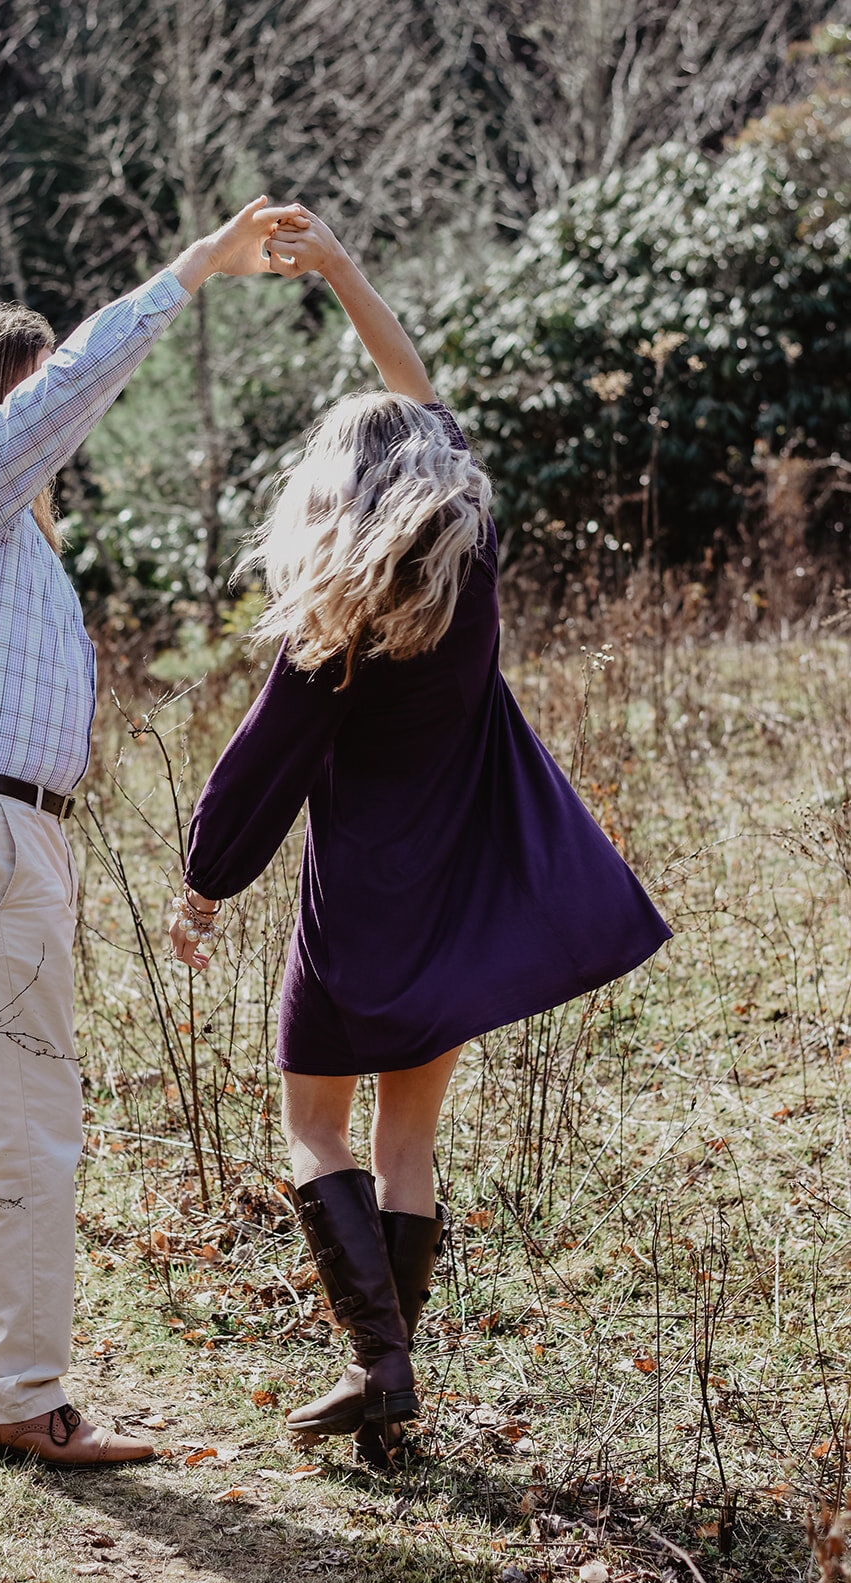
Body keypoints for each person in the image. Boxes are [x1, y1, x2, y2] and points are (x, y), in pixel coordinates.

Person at [169, 208, 672, 1466]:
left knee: (311, 1127)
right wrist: (339, 266)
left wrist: (202, 887)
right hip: (456, 910)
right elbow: (418, 395)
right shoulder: (472, 569)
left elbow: (258, 770)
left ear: (328, 494)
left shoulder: (328, 628)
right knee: (406, 1141)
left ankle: (378, 1365)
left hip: (355, 923)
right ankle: (386, 1390)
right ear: (431, 481)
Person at [0, 197, 302, 1466]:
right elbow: (83, 377)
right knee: (35, 1121)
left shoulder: (10, 544)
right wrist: (196, 269)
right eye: (29, 394)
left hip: (11, 833)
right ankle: (19, 1394)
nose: (54, 420)